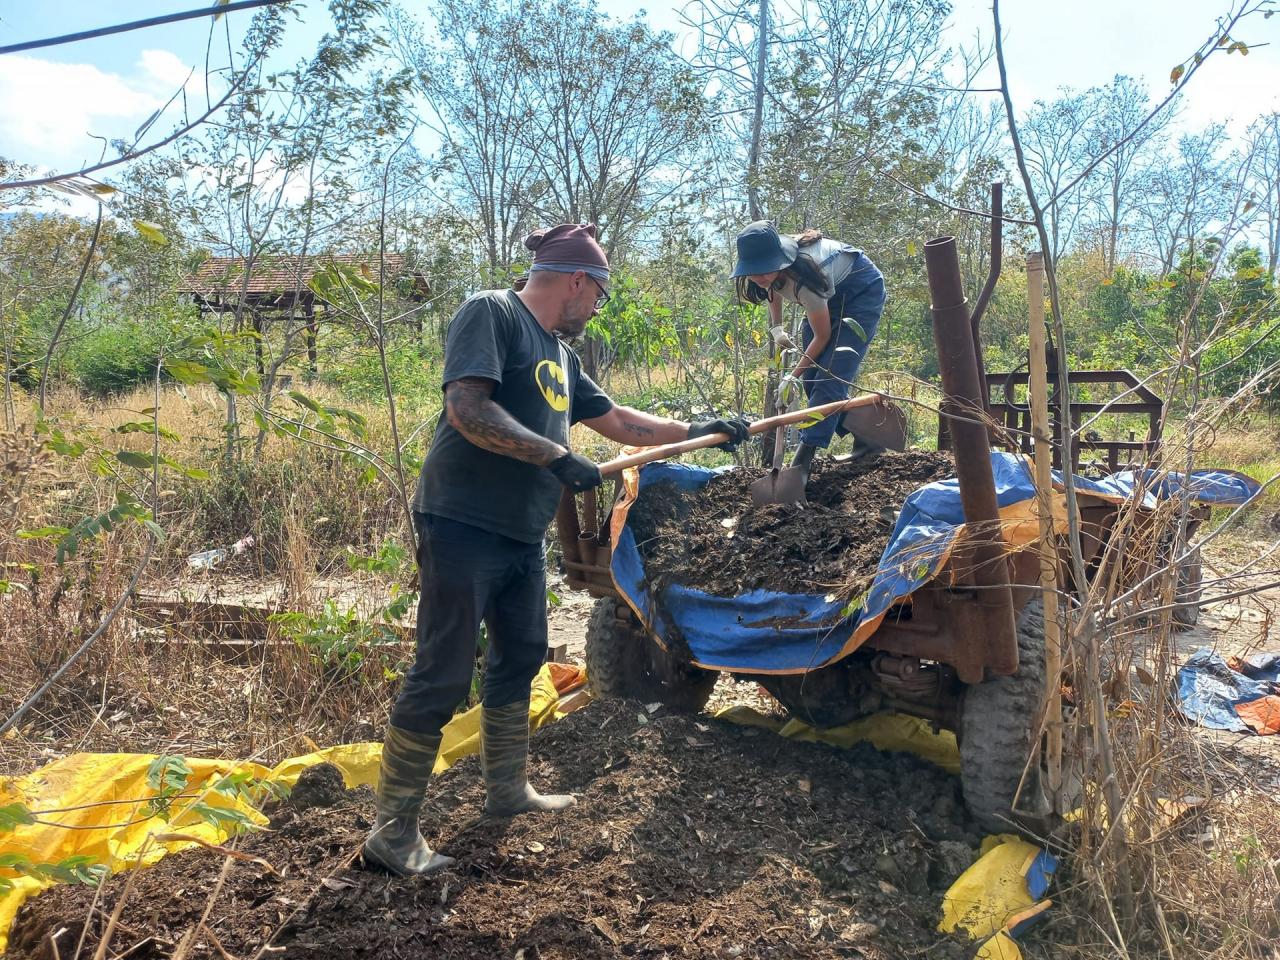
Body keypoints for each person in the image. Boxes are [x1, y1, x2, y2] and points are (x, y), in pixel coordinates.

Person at [365, 222, 750, 876]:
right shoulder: (492, 313)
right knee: (444, 669)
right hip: (461, 520)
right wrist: (553, 453)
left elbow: (622, 422)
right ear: (577, 281)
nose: (597, 308)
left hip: (519, 532)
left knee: (520, 660)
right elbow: (467, 407)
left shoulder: (563, 360)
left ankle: (507, 790)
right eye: (598, 295)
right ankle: (392, 832)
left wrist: (701, 432)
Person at [731, 221, 886, 481]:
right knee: (812, 381)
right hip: (825, 299)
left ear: (780, 261)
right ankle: (868, 440)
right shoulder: (771, 267)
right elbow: (773, 288)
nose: (758, 276)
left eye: (764, 269)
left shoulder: (805, 277)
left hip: (860, 292)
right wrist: (777, 327)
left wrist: (791, 374)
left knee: (829, 377)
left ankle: (800, 466)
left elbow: (823, 336)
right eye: (752, 271)